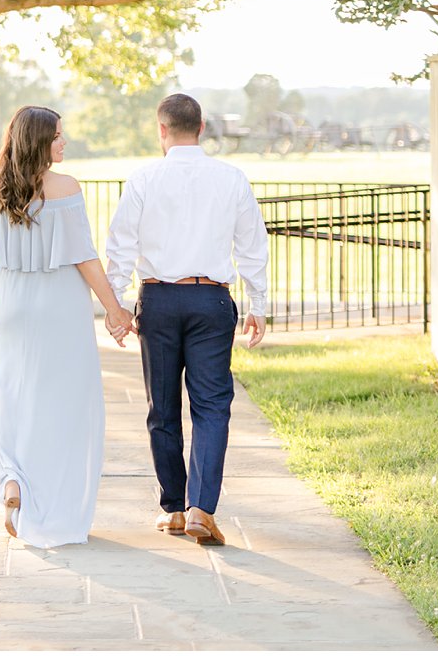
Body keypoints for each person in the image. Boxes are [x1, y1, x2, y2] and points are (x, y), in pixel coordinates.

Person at [104, 93, 268, 547]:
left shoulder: (143, 179)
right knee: (212, 406)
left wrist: (116, 306)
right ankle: (200, 509)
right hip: (211, 301)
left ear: (162, 130)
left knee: (162, 408)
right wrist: (259, 305)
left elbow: (119, 244)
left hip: (156, 300)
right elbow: (253, 245)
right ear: (202, 128)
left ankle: (175, 509)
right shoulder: (231, 178)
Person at [0, 105, 133, 546]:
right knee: (64, 406)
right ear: (40, 141)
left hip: (12, 304)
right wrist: (114, 309)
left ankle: (13, 481)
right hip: (60, 307)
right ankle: (53, 511)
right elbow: (83, 257)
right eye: (58, 136)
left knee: (12, 399)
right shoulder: (65, 188)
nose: (64, 142)